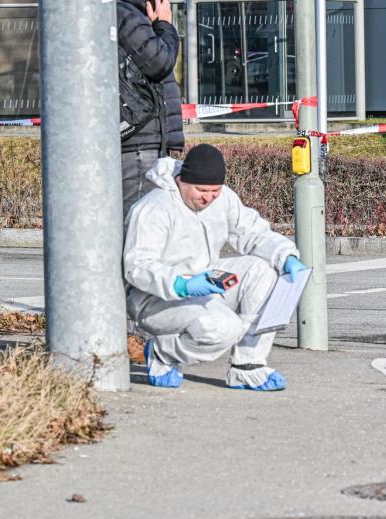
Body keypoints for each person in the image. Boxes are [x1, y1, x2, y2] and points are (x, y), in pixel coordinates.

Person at [123, 144, 306, 390]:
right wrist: (182, 284)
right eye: (201, 190)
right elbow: (137, 266)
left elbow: (253, 232)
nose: (208, 198)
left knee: (263, 271)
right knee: (224, 328)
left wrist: (286, 256)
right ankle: (163, 352)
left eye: (215, 191)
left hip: (204, 282)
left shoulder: (223, 199)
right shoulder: (154, 208)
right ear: (181, 181)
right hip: (154, 299)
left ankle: (247, 365)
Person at [118, 0, 186, 219]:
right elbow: (160, 62)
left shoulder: (130, 15)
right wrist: (164, 24)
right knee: (138, 224)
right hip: (140, 142)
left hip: (143, 138)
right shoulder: (127, 15)